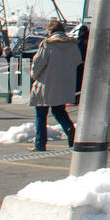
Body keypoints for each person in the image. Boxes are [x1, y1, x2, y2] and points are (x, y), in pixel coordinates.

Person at [30, 20, 81, 151]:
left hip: (46, 84)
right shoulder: (73, 45)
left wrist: (34, 76)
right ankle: (69, 128)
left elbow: (38, 64)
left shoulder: (47, 45)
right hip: (64, 85)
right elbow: (77, 61)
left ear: (50, 31)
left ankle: (40, 144)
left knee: (41, 114)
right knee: (59, 111)